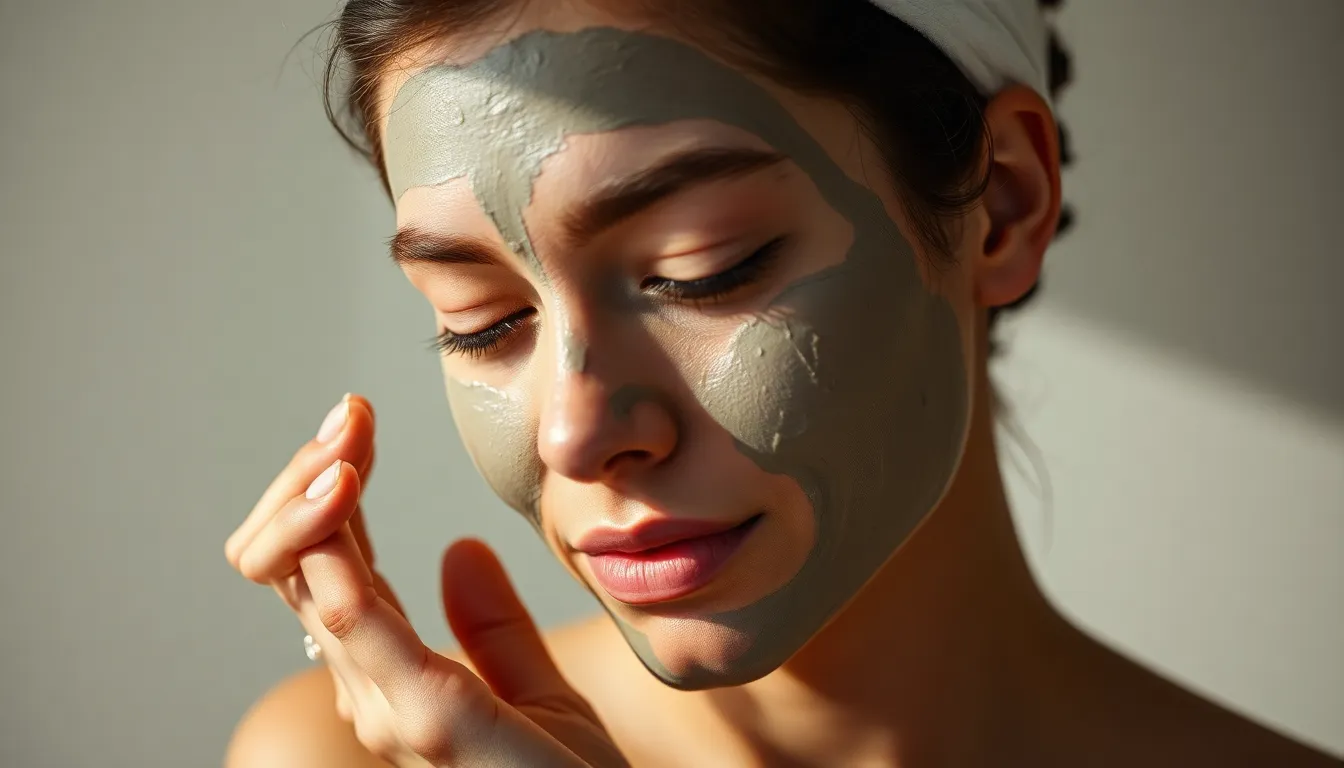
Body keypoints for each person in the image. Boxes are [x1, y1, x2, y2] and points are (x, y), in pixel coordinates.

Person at [223, 1, 1339, 765]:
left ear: (1000, 202)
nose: (573, 431)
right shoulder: (344, 758)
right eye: (484, 322)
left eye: (702, 269)